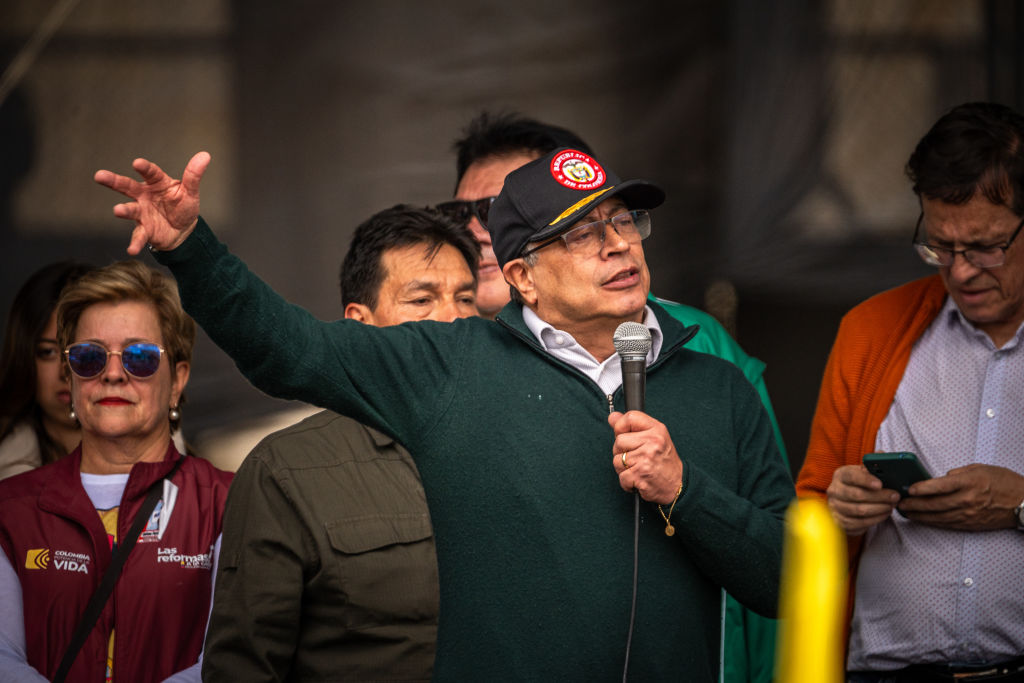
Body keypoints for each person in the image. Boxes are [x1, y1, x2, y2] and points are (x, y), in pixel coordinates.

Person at [94, 146, 793, 680]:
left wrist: (685, 491)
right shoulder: (452, 363)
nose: (618, 244)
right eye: (580, 233)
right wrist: (191, 248)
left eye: (623, 220)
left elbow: (787, 581)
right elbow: (289, 350)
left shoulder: (718, 386)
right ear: (520, 276)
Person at [440, 111, 788, 682]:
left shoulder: (700, 350)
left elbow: (773, 563)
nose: (479, 230)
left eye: (499, 210)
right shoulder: (445, 361)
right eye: (464, 213)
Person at [795, 101, 1024, 682]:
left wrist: (1020, 505)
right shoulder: (871, 331)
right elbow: (808, 515)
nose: (961, 271)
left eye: (986, 247)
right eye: (941, 247)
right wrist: (839, 512)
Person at [202, 205, 479, 680]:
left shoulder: (515, 441)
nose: (455, 319)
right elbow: (244, 668)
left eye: (467, 299)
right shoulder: (284, 470)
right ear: (360, 323)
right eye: (422, 300)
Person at [0, 260, 233, 682]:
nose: (111, 374)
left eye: (139, 357)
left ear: (178, 379)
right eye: (88, 357)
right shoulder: (8, 510)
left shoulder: (229, 503)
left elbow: (230, 661)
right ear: (70, 377)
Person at [0, 261, 94, 480]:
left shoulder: (175, 467)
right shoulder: (12, 480)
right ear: (24, 358)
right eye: (48, 352)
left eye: (86, 352)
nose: (66, 371)